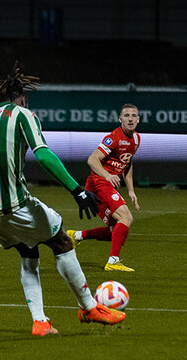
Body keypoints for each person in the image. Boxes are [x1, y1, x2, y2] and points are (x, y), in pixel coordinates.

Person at [0, 63, 126, 336]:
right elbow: (42, 155)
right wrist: (76, 189)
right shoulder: (24, 114)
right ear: (22, 97)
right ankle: (89, 307)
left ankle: (40, 321)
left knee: (29, 253)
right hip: (15, 204)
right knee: (62, 241)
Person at [67, 103, 141, 271]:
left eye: (133, 116)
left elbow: (127, 164)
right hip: (99, 182)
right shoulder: (113, 137)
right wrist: (108, 175)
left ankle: (75, 236)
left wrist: (131, 190)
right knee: (126, 217)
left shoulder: (136, 139)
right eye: (127, 115)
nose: (130, 118)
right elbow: (92, 159)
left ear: (138, 119)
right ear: (120, 119)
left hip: (104, 184)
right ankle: (113, 262)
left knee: (114, 230)